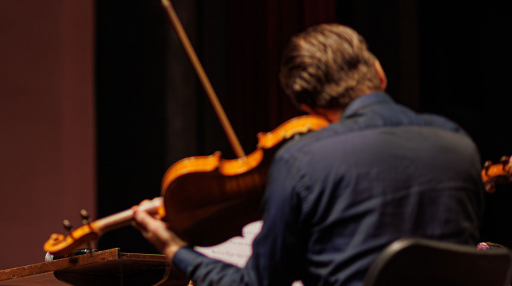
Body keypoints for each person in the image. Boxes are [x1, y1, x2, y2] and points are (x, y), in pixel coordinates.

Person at [133, 23, 484, 286]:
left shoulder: (302, 161)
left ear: (307, 106)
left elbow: (256, 284)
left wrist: (175, 248)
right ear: (379, 72)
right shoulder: (459, 144)